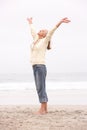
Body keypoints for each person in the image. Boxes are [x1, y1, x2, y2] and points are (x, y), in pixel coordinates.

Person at [27, 17, 71, 114]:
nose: (40, 30)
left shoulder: (44, 41)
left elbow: (52, 31)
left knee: (40, 87)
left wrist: (60, 22)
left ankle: (42, 109)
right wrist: (30, 23)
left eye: (43, 30)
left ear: (44, 35)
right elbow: (33, 31)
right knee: (40, 87)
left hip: (40, 66)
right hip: (35, 66)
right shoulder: (36, 39)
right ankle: (45, 109)